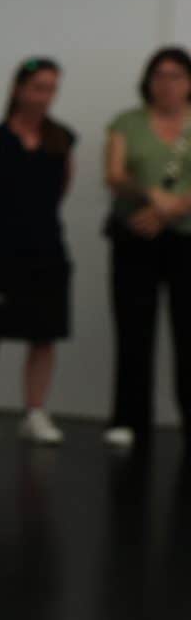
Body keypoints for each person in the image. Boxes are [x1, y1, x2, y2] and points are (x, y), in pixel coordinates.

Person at [0, 56, 73, 445]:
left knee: (44, 333)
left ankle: (35, 411)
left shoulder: (62, 139)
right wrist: (3, 216)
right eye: (38, 87)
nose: (44, 96)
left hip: (47, 248)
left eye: (51, 88)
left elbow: (62, 188)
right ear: (19, 89)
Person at [101, 44, 191, 453]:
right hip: (134, 237)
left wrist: (171, 210)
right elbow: (115, 175)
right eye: (160, 75)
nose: (167, 83)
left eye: (176, 75)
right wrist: (151, 195)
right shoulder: (127, 122)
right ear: (148, 81)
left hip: (185, 240)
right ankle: (128, 419)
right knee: (133, 331)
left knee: (187, 333)